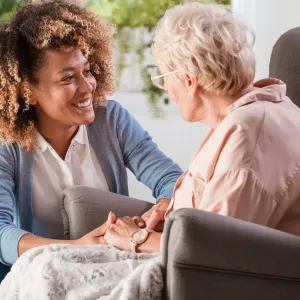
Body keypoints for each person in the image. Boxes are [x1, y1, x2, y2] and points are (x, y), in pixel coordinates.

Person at [0, 0, 183, 271]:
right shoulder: (7, 142)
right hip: (36, 277)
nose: (88, 87)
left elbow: (171, 180)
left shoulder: (112, 119)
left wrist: (163, 207)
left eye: (86, 71)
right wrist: (77, 249)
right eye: (68, 78)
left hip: (108, 270)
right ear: (27, 91)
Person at [103, 2, 300, 253]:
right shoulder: (257, 111)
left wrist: (137, 238)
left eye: (163, 77)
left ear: (188, 81)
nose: (165, 88)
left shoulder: (246, 134)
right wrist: (175, 214)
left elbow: (215, 249)